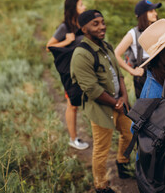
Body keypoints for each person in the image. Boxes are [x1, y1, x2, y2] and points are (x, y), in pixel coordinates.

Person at [70, 10, 133, 193]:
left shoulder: (106, 46)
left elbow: (118, 74)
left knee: (129, 134)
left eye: (102, 22)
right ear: (84, 29)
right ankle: (101, 185)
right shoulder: (81, 54)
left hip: (118, 102)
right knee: (101, 149)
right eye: (95, 23)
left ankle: (122, 163)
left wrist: (124, 97)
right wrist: (115, 103)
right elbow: (92, 89)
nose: (102, 26)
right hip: (100, 108)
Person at [46, 0, 89, 150]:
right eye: (81, 5)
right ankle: (73, 139)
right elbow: (48, 46)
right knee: (72, 105)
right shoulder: (65, 27)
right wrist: (67, 41)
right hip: (69, 72)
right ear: (73, 8)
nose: (84, 7)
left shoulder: (83, 24)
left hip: (84, 70)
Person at [114, 0, 162, 99]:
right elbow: (116, 54)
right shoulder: (133, 33)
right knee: (146, 109)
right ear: (142, 14)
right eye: (151, 11)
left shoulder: (159, 29)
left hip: (161, 73)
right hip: (144, 78)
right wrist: (132, 71)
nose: (155, 14)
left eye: (155, 11)